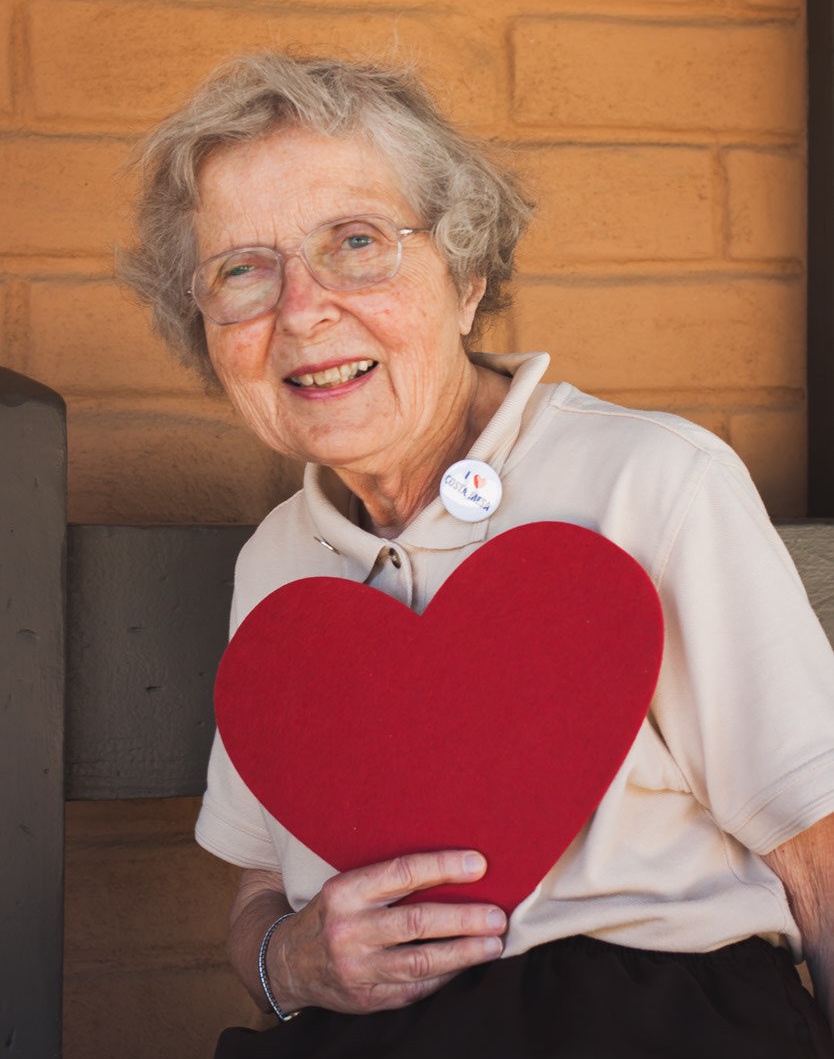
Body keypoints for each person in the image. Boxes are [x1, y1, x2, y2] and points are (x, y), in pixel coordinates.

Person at [119, 52, 834, 1058]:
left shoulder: (654, 482)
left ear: (466, 276)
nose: (301, 309)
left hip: (649, 1023)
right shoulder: (277, 562)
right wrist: (292, 964)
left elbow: (819, 857)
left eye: (356, 243)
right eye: (242, 270)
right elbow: (262, 888)